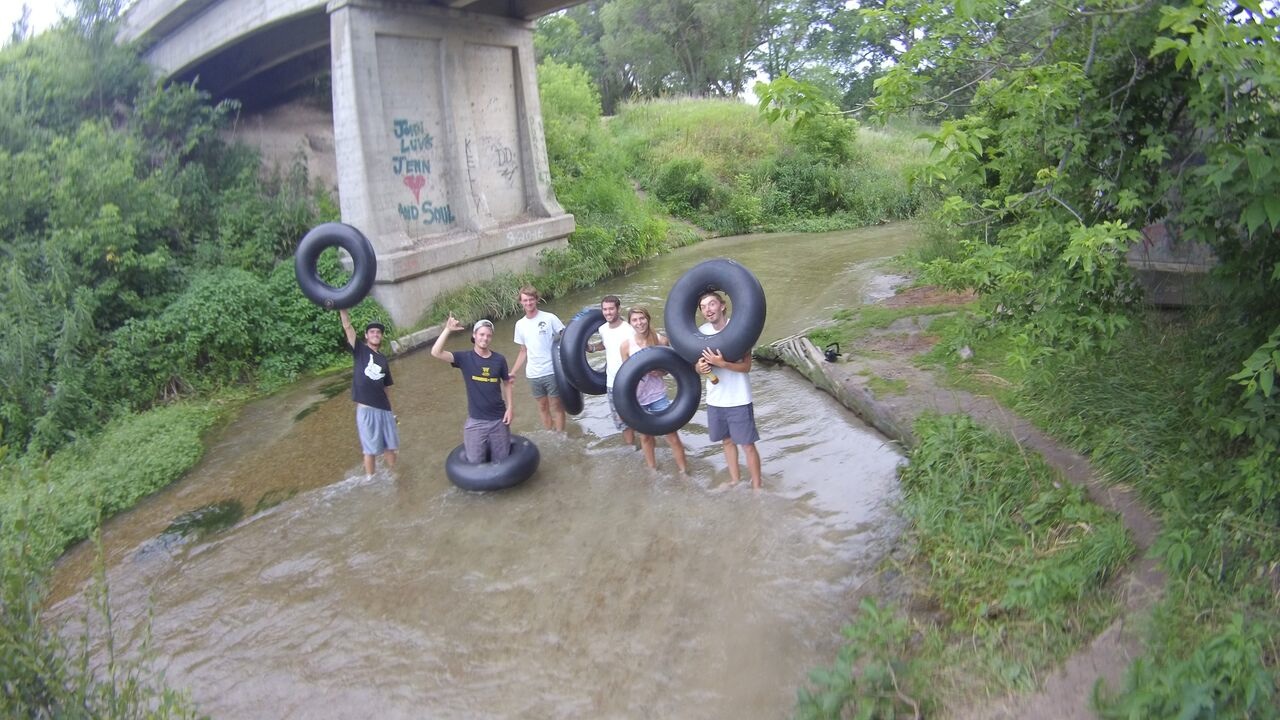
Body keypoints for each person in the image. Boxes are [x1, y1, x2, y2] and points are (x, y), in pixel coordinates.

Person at [695, 291, 762, 489]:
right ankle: (735, 480)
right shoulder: (701, 332)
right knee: (726, 441)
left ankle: (757, 487)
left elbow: (746, 367)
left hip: (739, 398)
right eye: (704, 306)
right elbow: (696, 367)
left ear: (722, 305)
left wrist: (722, 363)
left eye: (712, 304)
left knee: (748, 445)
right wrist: (701, 367)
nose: (708, 309)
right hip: (716, 399)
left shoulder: (740, 328)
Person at [431, 316, 514, 463]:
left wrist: (510, 408)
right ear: (474, 335)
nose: (485, 338)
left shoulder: (499, 360)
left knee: (502, 462)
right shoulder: (464, 358)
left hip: (499, 419)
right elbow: (436, 352)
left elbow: (507, 383)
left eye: (488, 335)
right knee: (474, 462)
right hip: (476, 421)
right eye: (482, 334)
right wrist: (447, 330)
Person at [619, 306, 688, 473]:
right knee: (645, 437)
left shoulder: (661, 340)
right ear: (630, 323)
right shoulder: (626, 346)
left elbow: (671, 369)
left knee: (672, 436)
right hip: (638, 399)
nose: (639, 322)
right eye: (635, 320)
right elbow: (625, 376)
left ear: (648, 319)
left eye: (642, 318)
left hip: (658, 396)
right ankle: (653, 471)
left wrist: (659, 371)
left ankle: (684, 472)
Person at [339, 309, 397, 477]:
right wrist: (343, 309)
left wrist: (391, 411)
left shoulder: (383, 359)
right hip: (366, 409)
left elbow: (386, 387)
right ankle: (369, 480)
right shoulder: (360, 351)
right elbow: (348, 327)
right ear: (366, 335)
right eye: (372, 332)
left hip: (384, 410)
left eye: (378, 332)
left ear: (381, 336)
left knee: (390, 446)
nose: (375, 334)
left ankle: (394, 476)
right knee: (369, 450)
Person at [510, 286, 567, 431]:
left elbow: (567, 337)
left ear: (536, 299)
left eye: (531, 299)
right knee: (542, 406)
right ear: (521, 302)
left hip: (551, 371)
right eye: (525, 300)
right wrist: (513, 371)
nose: (528, 303)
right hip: (533, 374)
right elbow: (523, 351)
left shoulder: (549, 318)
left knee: (557, 405)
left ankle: (560, 437)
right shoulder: (520, 325)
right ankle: (550, 433)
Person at [590, 295, 637, 446]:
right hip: (612, 383)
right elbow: (605, 344)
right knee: (622, 422)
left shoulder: (630, 329)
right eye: (605, 309)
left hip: (631, 381)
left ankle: (647, 449)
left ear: (618, 309)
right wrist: (590, 348)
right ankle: (632, 450)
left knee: (639, 417)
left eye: (611, 309)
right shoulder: (602, 329)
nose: (608, 312)